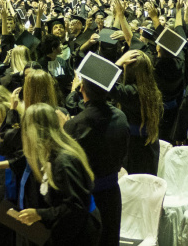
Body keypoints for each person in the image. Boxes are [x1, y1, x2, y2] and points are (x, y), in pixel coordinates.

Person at [14, 103, 102, 246]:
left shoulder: (63, 162)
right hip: (71, 226)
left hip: (80, 232)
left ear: (33, 131)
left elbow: (76, 208)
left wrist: (39, 214)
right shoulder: (51, 153)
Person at [64, 59, 129, 246]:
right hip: (112, 195)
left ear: (81, 89)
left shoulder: (74, 125)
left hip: (86, 200)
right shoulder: (121, 117)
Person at [110, 49, 163, 175]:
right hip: (150, 145)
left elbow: (106, 83)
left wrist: (119, 62)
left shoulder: (131, 92)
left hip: (133, 148)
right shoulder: (152, 90)